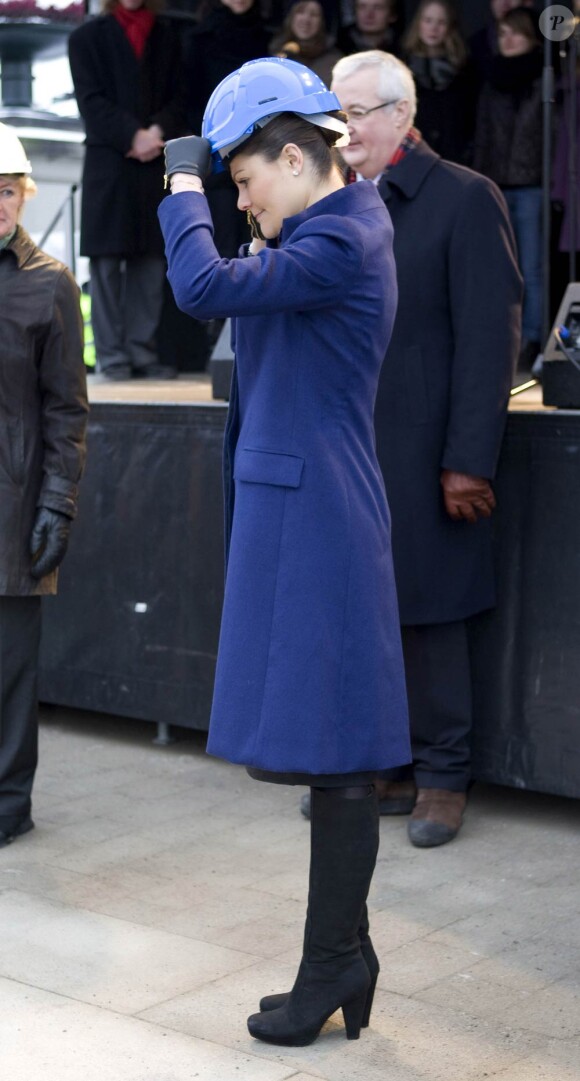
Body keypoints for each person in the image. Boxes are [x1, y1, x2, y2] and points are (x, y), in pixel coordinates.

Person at [160, 56, 410, 1045]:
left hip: (320, 522)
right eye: (223, 184)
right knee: (328, 753)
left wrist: (177, 184)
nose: (239, 196)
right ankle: (335, 958)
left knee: (338, 754)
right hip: (306, 513)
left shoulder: (341, 237)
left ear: (298, 157)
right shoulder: (325, 231)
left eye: (243, 179)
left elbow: (198, 285)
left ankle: (334, 962)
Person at [329, 50, 522, 847]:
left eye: (356, 115)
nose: (342, 132)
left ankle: (444, 776)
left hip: (428, 450)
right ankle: (390, 764)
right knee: (369, 613)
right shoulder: (338, 203)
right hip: (355, 447)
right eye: (333, 116)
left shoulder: (464, 198)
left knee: (433, 613)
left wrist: (469, 458)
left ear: (402, 115)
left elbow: (490, 339)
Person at [0, 125, 88, 849]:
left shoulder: (49, 281)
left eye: (6, 191)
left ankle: (7, 803)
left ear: (24, 196)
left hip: (14, 503)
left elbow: (68, 409)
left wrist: (58, 501)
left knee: (8, 671)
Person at [68, 0, 187, 380]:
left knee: (151, 258)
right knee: (106, 262)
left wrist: (155, 131)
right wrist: (131, 135)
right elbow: (90, 100)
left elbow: (180, 96)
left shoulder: (167, 36)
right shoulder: (85, 36)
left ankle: (141, 351)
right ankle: (111, 355)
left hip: (154, 159)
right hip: (109, 161)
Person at [473, 7, 542, 371]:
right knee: (499, 267)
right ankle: (505, 341)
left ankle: (532, 340)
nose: (509, 40)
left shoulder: (546, 77)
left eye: (516, 33)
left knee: (532, 267)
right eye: (503, 34)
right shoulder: (492, 80)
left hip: (533, 184)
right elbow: (483, 134)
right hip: (497, 182)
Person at [183, 0, 269, 261]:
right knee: (223, 247)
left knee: (261, 244)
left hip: (260, 154)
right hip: (217, 158)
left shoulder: (267, 40)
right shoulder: (198, 39)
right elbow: (189, 101)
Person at [402, 0, 477, 165]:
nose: (433, 28)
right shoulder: (402, 67)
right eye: (428, 20)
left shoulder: (465, 69)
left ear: (450, 27)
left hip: (453, 161)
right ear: (419, 24)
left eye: (441, 22)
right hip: (412, 159)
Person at [269, 1, 343, 87]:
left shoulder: (333, 62)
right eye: (300, 12)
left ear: (323, 22)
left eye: (314, 15)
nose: (306, 20)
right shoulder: (275, 54)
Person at [337, 0, 402, 57]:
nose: (369, 15)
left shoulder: (405, 50)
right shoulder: (338, 51)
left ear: (392, 14)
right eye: (362, 7)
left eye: (378, 7)